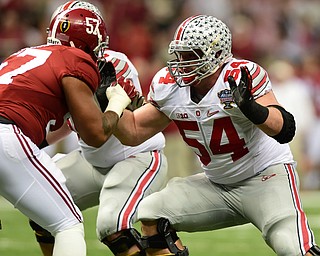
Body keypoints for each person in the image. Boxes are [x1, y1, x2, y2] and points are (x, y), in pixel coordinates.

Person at [112, 15, 320, 255]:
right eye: (180, 54)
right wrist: (110, 105)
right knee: (151, 212)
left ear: (216, 54)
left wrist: (252, 109)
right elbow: (134, 132)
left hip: (265, 177)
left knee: (293, 248)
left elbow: (285, 129)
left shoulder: (241, 75)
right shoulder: (169, 86)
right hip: (216, 184)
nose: (182, 62)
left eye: (191, 55)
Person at [27, 2, 168, 256]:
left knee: (112, 227)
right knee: (42, 207)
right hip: (92, 160)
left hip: (134, 156)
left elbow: (120, 127)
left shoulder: (115, 67)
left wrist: (103, 100)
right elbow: (65, 125)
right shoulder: (55, 70)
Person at [0, 3, 138, 256]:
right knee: (67, 224)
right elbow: (95, 135)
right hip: (6, 134)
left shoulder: (24, 54)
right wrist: (116, 106)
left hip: (9, 132)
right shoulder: (76, 59)